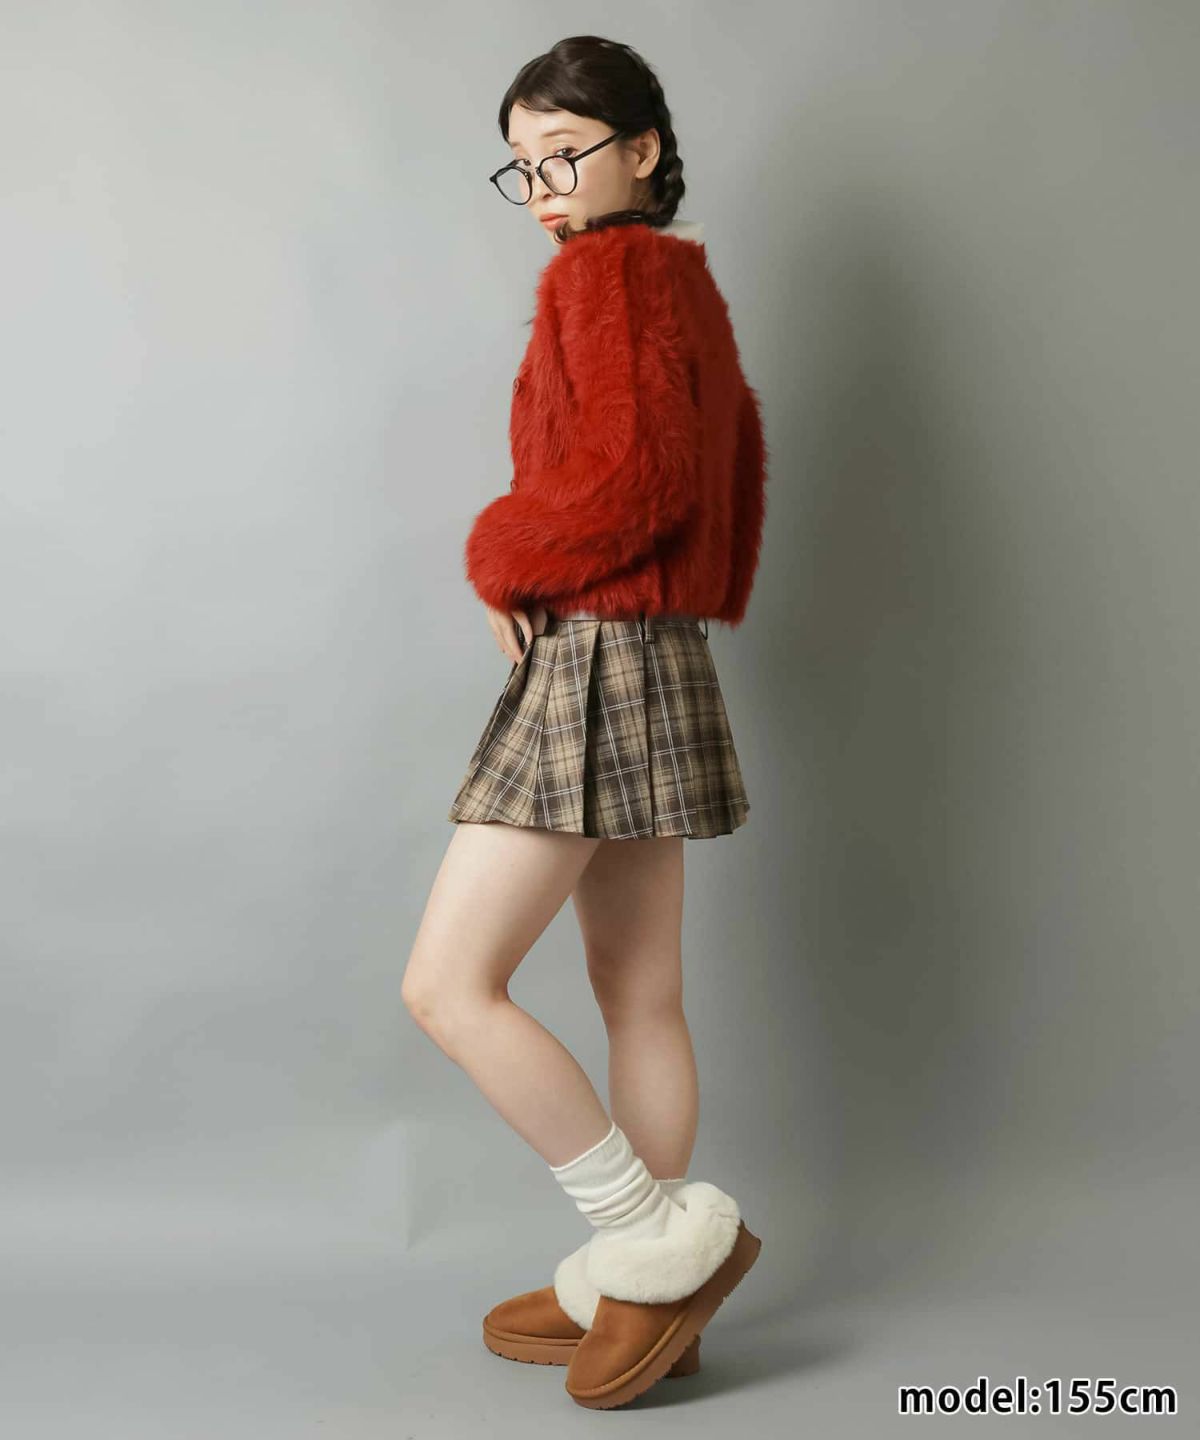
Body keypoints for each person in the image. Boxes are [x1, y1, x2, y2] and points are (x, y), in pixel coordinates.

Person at [403, 34, 768, 1409]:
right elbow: (729, 475)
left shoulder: (610, 277)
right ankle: (647, 1289)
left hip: (603, 651)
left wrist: (504, 554)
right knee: (640, 994)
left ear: (643, 150)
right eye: (525, 167)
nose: (546, 190)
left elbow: (645, 483)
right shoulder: (680, 279)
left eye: (567, 155)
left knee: (449, 986)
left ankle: (651, 1241)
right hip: (660, 648)